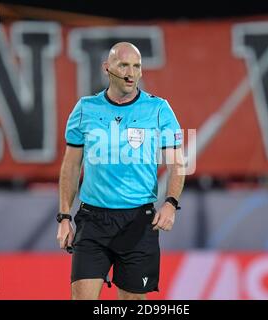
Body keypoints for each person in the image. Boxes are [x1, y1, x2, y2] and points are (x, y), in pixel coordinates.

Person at [57, 42, 185, 300]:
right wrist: (63, 217)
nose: (130, 72)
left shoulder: (159, 110)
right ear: (107, 68)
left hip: (139, 222)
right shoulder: (85, 109)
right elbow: (70, 165)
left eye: (136, 66)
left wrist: (171, 203)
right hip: (93, 221)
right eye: (123, 64)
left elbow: (178, 163)